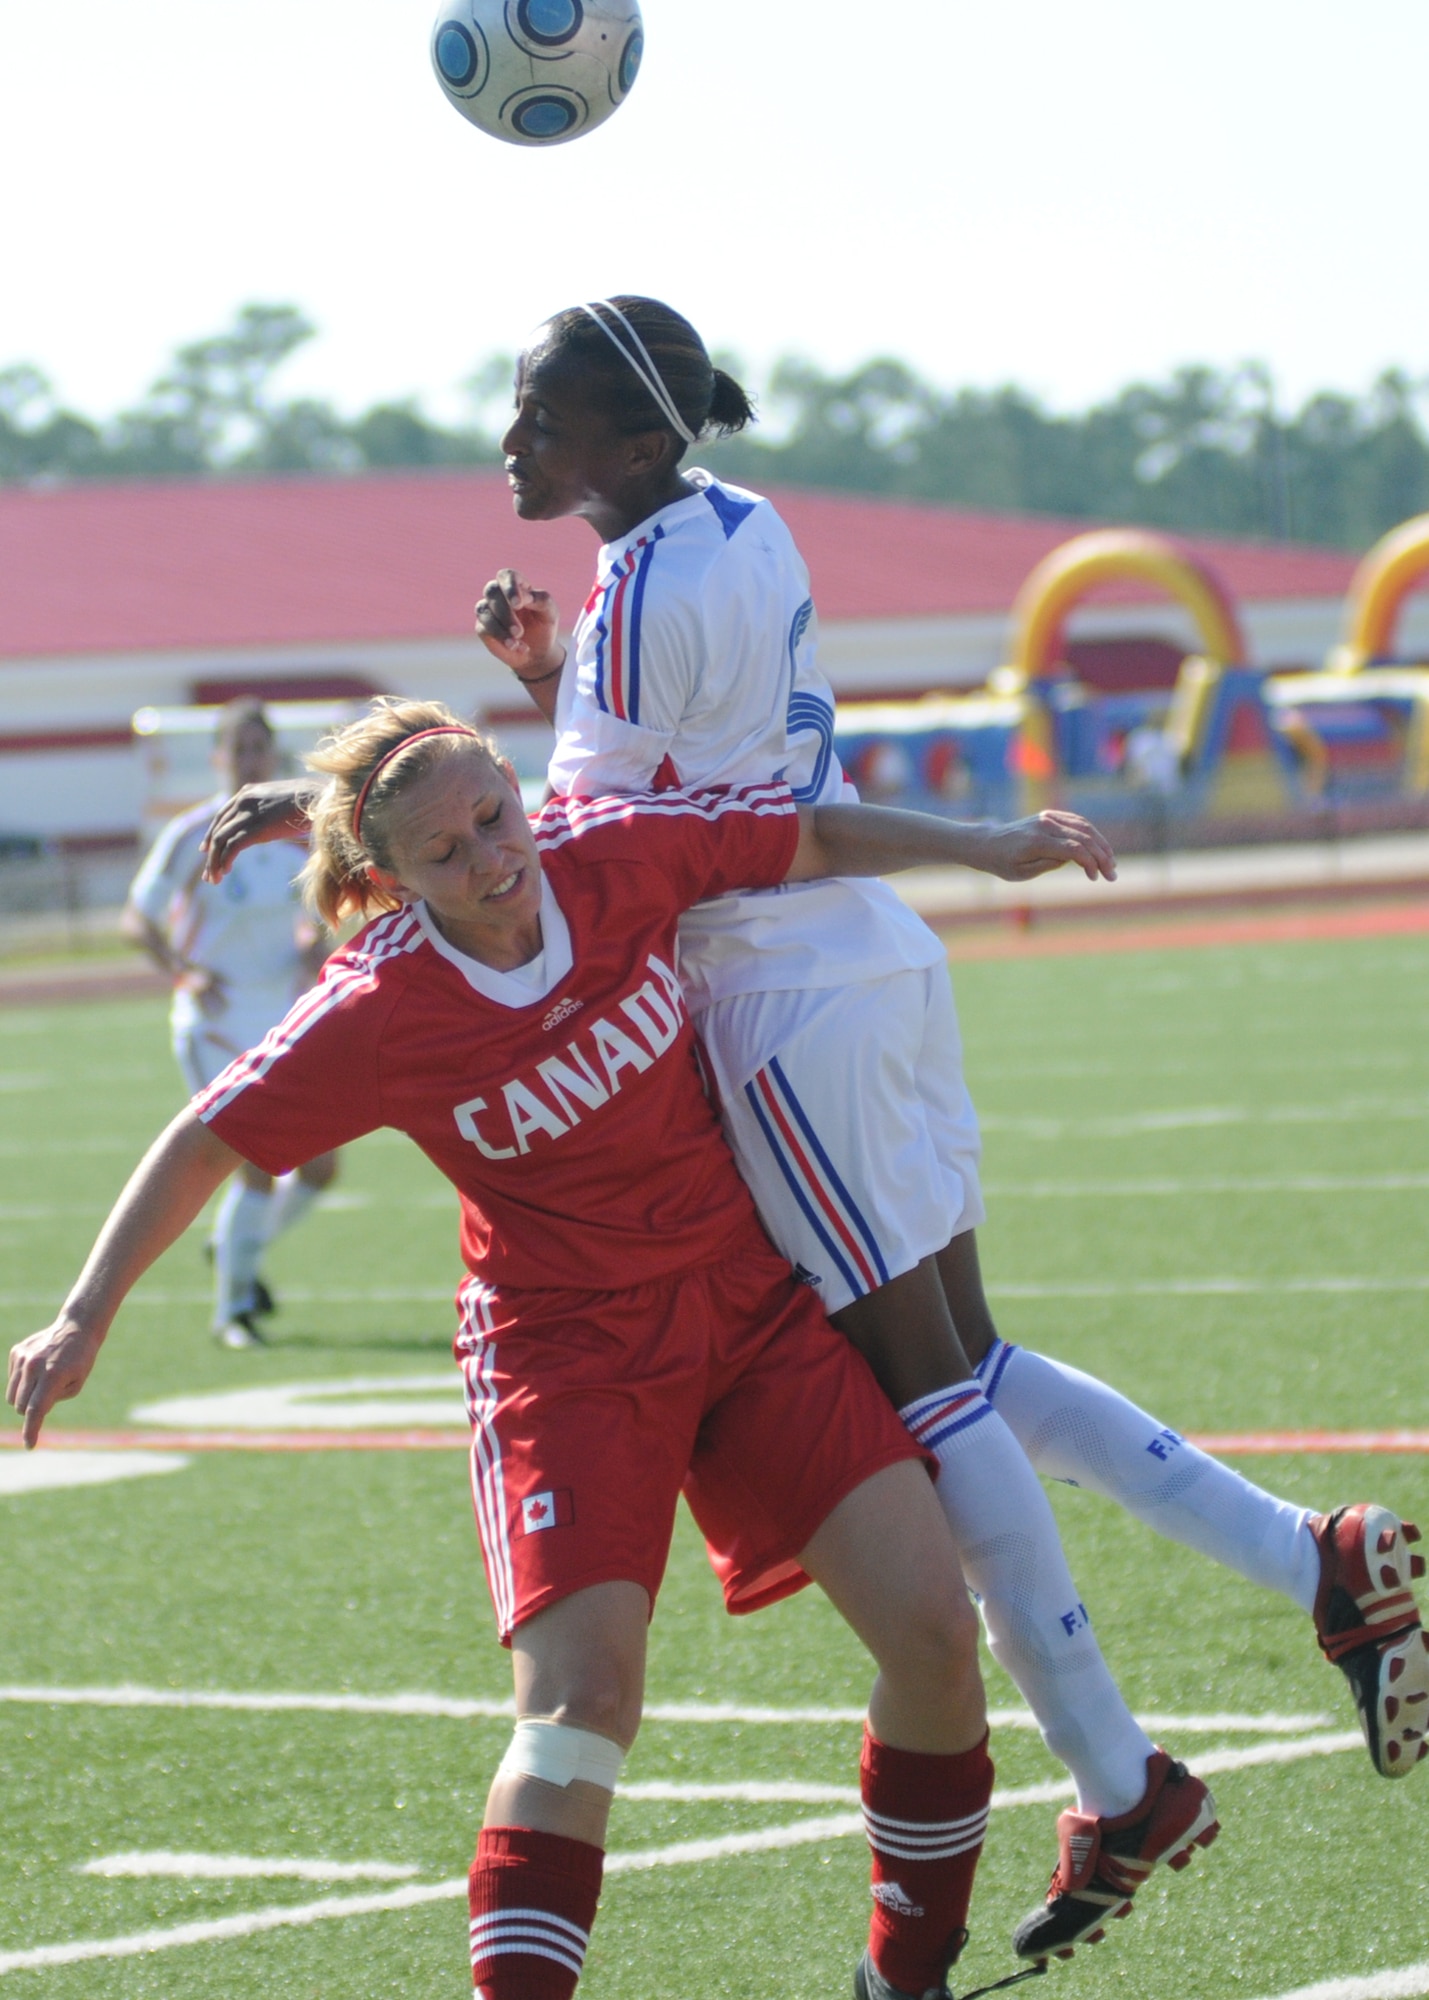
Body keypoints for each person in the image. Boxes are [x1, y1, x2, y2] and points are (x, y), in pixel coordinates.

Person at [202, 304, 1427, 1956]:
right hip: (860, 964)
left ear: (629, 445)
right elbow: (660, 775)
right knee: (970, 1359)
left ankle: (1125, 1767)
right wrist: (542, 686)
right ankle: (1310, 1567)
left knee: (933, 1395)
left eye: (539, 418)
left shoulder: (637, 584)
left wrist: (328, 799)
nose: (511, 441)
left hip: (772, 996)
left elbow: (561, 832)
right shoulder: (744, 519)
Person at [12, 705, 1128, 2000]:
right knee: (581, 1702)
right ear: (389, 883)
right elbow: (205, 1137)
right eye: (444, 852)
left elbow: (807, 828)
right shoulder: (382, 1008)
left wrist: (983, 846)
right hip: (568, 1361)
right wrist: (86, 1314)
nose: (491, 858)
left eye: (495, 814)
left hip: (745, 1310)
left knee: (932, 1635)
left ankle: (905, 1979)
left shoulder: (612, 854)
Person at [124, 700, 339, 1348]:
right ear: (219, 757)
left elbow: (326, 911)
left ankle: (232, 1249)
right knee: (255, 1165)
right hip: (215, 1021)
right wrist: (182, 970)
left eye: (259, 748)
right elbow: (139, 919)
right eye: (238, 749)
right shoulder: (192, 832)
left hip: (282, 1017)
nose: (249, 760)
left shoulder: (300, 835)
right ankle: (233, 1312)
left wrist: (315, 945)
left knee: (321, 1170)